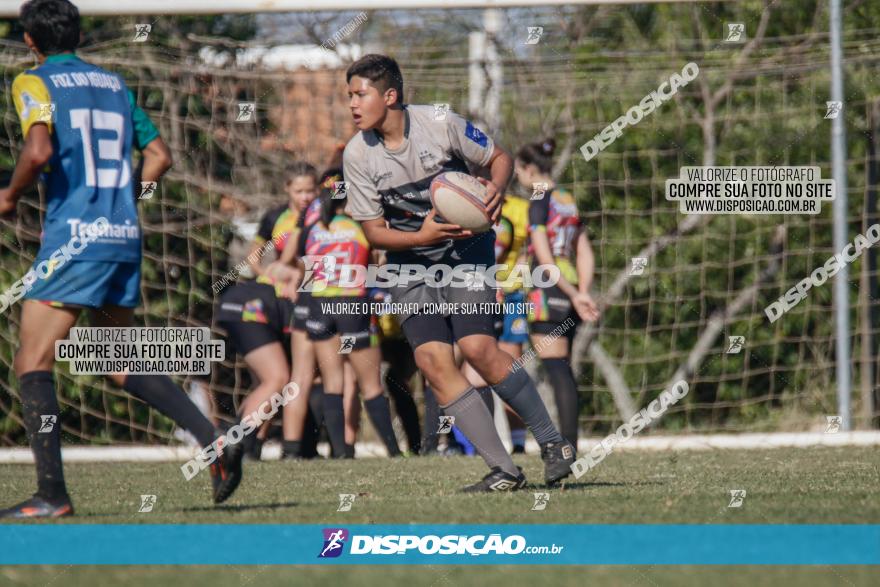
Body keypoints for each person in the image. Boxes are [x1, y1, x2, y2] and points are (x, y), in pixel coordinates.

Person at [0, 0, 242, 517]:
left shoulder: (33, 83)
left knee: (31, 360)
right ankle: (213, 439)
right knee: (117, 358)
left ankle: (51, 495)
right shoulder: (113, 85)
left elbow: (38, 152)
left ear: (30, 41)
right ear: (79, 34)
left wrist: (10, 195)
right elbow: (160, 157)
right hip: (122, 235)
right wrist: (126, 198)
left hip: (75, 238)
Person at [341, 54, 575, 491]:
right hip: (409, 263)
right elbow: (373, 233)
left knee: (478, 348)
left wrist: (495, 190)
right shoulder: (357, 154)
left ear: (389, 95)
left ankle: (553, 443)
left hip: (467, 251)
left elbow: (498, 158)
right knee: (432, 362)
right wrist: (420, 237)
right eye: (349, 96)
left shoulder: (439, 122)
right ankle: (504, 471)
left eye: (360, 94)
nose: (352, 104)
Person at [215, 162, 320, 460]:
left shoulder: (319, 217)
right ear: (287, 189)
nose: (304, 196)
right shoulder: (276, 218)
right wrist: (272, 274)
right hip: (261, 305)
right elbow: (257, 255)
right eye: (299, 190)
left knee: (273, 383)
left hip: (282, 307)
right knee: (278, 379)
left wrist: (298, 277)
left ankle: (251, 450)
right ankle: (235, 440)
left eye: (310, 190)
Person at [295, 190, 401, 458]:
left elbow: (303, 271)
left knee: (332, 383)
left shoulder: (312, 229)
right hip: (352, 304)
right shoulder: (363, 228)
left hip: (320, 305)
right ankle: (393, 451)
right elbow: (376, 266)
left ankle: (341, 453)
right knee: (371, 385)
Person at [514, 138, 600, 448]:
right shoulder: (566, 198)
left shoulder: (538, 198)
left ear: (529, 169)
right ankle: (570, 446)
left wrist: (569, 292)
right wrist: (582, 292)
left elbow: (545, 258)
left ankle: (566, 449)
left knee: (556, 369)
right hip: (573, 288)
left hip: (548, 291)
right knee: (564, 369)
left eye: (518, 173)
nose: (519, 181)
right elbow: (584, 250)